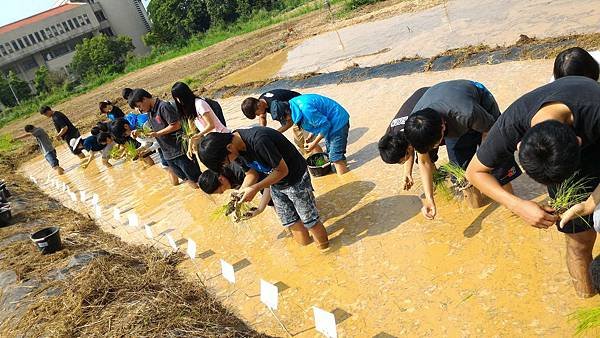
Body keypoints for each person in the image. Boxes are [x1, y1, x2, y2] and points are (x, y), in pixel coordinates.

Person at [465, 76, 600, 298]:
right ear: (519, 144)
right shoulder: (511, 125)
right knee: (579, 242)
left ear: (578, 141)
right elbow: (474, 172)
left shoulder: (595, 108)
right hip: (562, 152)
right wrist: (517, 205)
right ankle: (586, 298)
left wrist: (590, 203)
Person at [400, 80, 518, 219]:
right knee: (462, 173)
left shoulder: (466, 113)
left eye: (434, 145)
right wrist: (429, 199)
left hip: (480, 105)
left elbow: (489, 136)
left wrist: (478, 168)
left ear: (443, 129)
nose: (434, 149)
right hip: (446, 107)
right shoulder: (417, 127)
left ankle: (513, 206)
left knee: (498, 164)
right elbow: (424, 162)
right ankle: (477, 203)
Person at [198, 128, 330, 250]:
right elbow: (252, 173)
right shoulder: (236, 149)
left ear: (229, 147)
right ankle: (308, 254)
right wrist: (241, 193)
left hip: (295, 178)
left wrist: (255, 188)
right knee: (290, 222)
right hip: (276, 183)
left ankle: (326, 251)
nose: (228, 164)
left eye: (225, 162)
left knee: (310, 221)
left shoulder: (259, 141)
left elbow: (283, 171)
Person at [128, 88, 200, 189]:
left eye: (139, 106)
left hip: (180, 151)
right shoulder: (150, 112)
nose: (140, 110)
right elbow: (154, 132)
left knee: (196, 179)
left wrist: (158, 133)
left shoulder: (163, 107)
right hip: (168, 154)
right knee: (187, 180)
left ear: (144, 99)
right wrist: (140, 133)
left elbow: (176, 125)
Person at [275, 94, 350, 175]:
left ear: (287, 112)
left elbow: (325, 125)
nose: (287, 121)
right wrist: (311, 136)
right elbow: (317, 121)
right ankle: (344, 169)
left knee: (335, 158)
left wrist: (314, 143)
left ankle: (346, 181)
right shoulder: (294, 105)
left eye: (285, 119)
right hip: (332, 122)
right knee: (331, 152)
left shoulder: (305, 109)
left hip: (338, 123)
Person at [378, 87, 430, 190]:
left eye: (401, 161)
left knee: (427, 153)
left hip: (430, 95)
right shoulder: (391, 133)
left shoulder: (413, 131)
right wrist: (407, 173)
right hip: (421, 93)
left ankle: (435, 178)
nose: (402, 163)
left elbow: (423, 161)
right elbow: (407, 148)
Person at [241, 89, 321, 154]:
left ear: (258, 106)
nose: (258, 116)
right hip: (294, 113)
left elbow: (289, 122)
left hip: (304, 110)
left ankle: (323, 164)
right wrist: (262, 130)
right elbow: (262, 117)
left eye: (256, 114)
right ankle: (310, 159)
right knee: (299, 142)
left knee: (309, 141)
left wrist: (274, 133)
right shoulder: (261, 101)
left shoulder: (275, 106)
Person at [171, 82, 230, 160]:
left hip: (222, 136)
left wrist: (199, 134)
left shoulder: (200, 104)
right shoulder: (189, 109)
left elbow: (211, 125)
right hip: (212, 139)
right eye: (176, 98)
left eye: (178, 98)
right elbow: (191, 131)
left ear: (184, 95)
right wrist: (190, 147)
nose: (178, 101)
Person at [198, 163, 272, 217]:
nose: (221, 193)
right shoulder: (227, 179)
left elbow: (266, 182)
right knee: (271, 202)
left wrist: (260, 209)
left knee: (273, 201)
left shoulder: (238, 171)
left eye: (220, 191)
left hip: (273, 176)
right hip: (267, 183)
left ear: (221, 179)